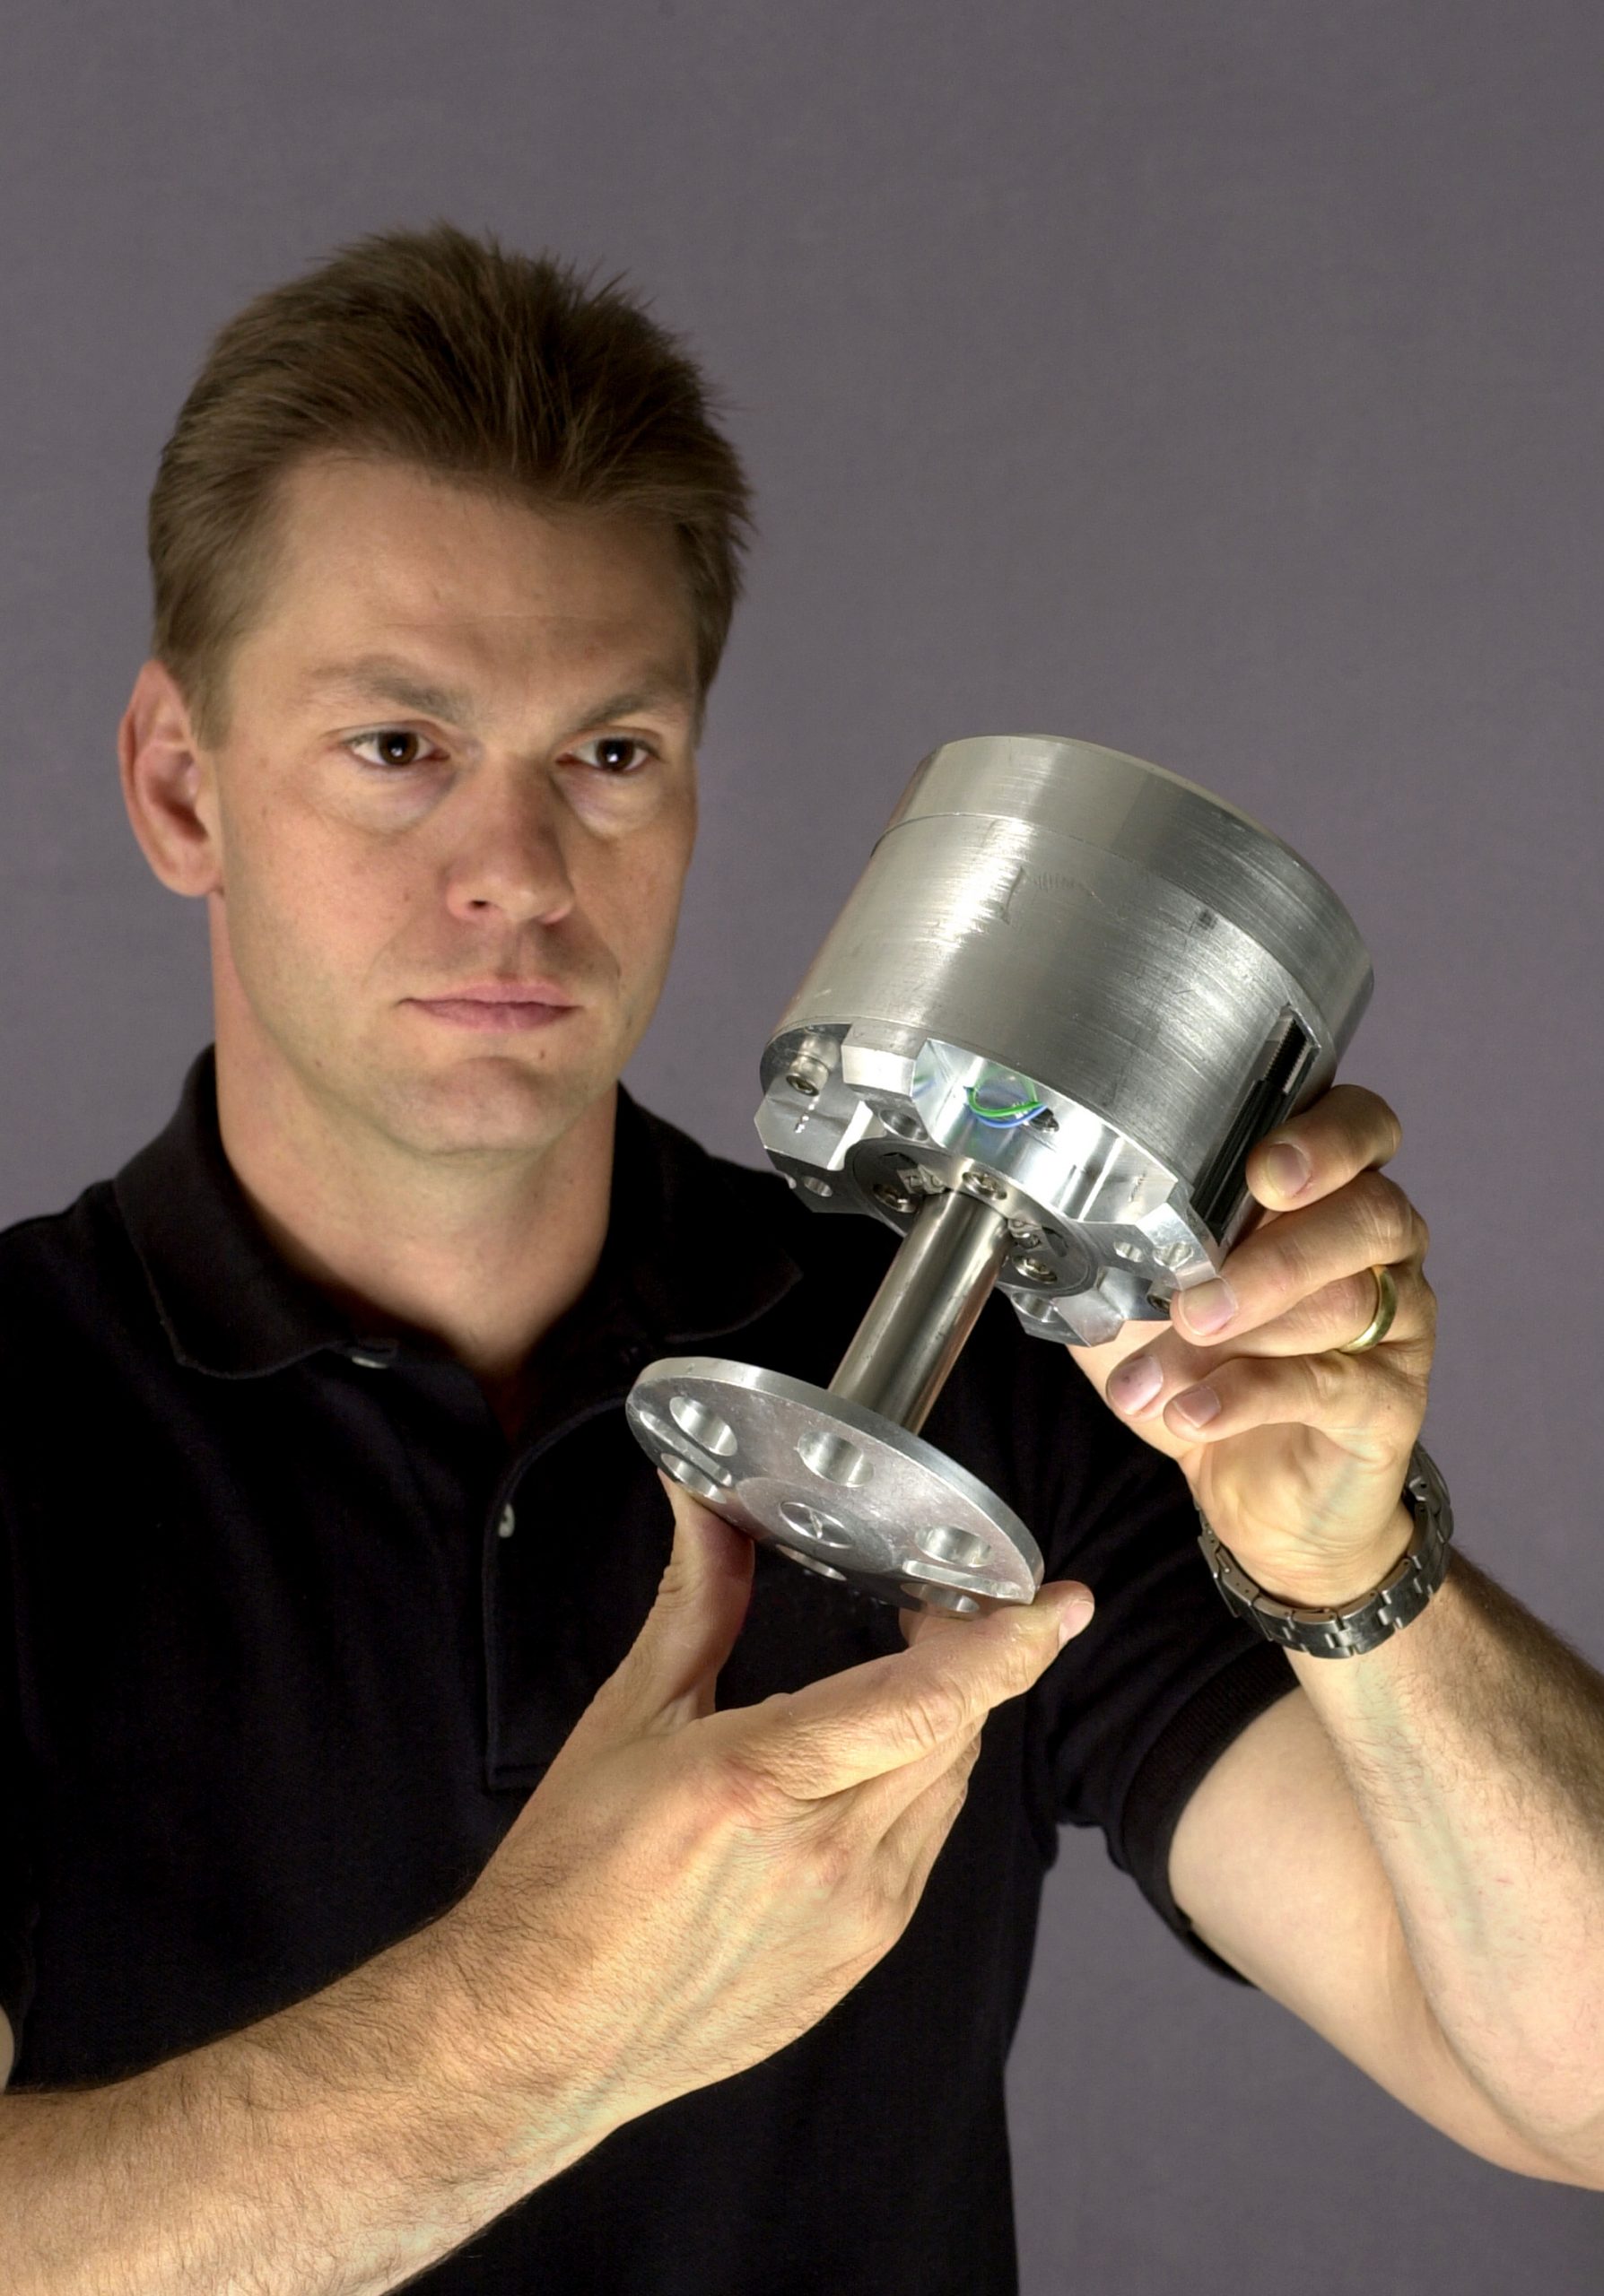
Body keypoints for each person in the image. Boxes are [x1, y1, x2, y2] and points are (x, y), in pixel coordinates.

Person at [1, 223, 1601, 2296]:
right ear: (177, 782)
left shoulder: (995, 1373)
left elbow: (1570, 2081)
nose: (516, 872)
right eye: (398, 747)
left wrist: (1348, 1573)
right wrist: (546, 2022)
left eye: (609, 753)